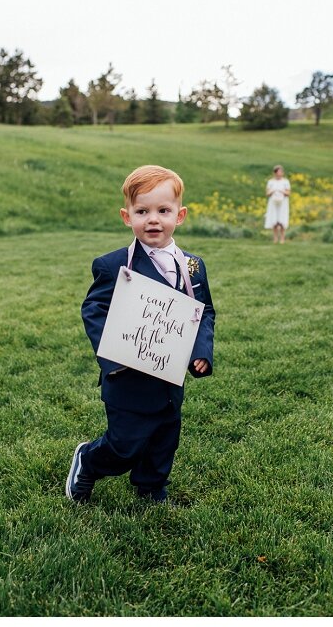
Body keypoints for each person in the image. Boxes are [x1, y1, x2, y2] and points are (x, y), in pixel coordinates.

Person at [68, 165, 216, 504]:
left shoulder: (193, 265)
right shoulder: (114, 265)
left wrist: (201, 352)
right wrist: (115, 353)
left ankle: (151, 485)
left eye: (163, 211)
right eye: (142, 211)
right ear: (126, 216)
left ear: (179, 215)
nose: (153, 219)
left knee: (165, 435)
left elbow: (203, 311)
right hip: (127, 375)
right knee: (125, 443)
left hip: (169, 375)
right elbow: (93, 309)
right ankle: (89, 461)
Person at [265, 164, 291, 244]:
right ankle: (275, 238)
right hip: (273, 203)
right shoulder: (270, 182)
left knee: (282, 220)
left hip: (283, 203)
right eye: (278, 172)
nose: (280, 173)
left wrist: (281, 191)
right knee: (274, 220)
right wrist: (273, 191)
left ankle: (282, 238)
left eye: (281, 172)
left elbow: (288, 193)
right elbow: (267, 193)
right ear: (275, 173)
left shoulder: (286, 181)